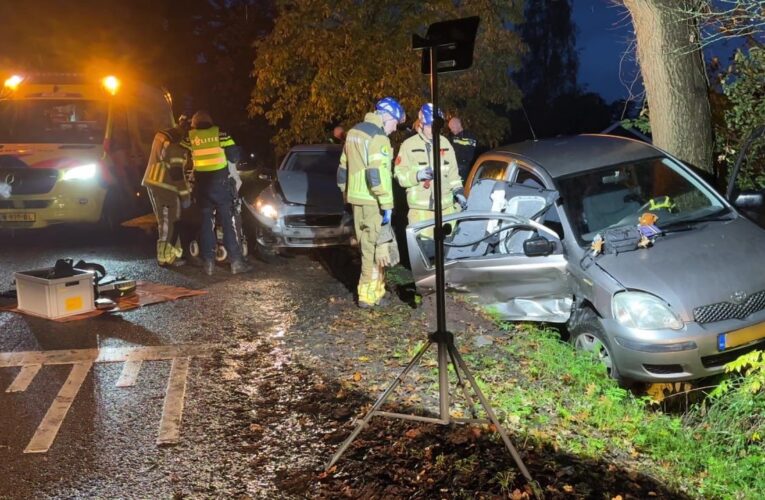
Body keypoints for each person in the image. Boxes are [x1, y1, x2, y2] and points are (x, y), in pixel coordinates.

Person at [337, 97, 404, 309]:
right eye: (395, 122)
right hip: (373, 200)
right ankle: (370, 295)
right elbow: (377, 174)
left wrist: (345, 194)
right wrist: (387, 204)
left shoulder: (354, 133)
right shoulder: (379, 137)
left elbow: (342, 169)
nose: (394, 128)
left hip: (356, 199)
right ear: (386, 116)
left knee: (367, 247)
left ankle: (371, 292)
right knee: (378, 249)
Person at [182, 110, 252, 276]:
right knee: (228, 222)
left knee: (207, 224)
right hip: (220, 185)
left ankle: (209, 265)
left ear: (194, 124)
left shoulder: (190, 137)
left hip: (202, 186)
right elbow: (234, 157)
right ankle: (236, 262)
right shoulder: (220, 134)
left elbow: (180, 151)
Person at [395, 103, 466, 232]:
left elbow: (453, 174)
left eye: (436, 126)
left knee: (448, 251)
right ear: (421, 123)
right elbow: (399, 175)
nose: (433, 130)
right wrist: (416, 176)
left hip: (447, 213)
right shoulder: (408, 145)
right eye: (429, 126)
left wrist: (459, 192)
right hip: (421, 215)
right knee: (425, 251)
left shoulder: (445, 143)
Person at [142, 115, 192, 267]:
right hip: (164, 184)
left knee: (168, 221)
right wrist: (185, 194)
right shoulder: (177, 144)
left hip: (155, 180)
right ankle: (165, 257)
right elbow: (176, 172)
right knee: (168, 221)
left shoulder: (166, 134)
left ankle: (171, 255)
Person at [448, 116, 477, 183]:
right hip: (454, 169)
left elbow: (469, 156)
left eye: (452, 127)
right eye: (450, 128)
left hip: (463, 169)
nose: (451, 130)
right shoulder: (454, 137)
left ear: (459, 125)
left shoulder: (470, 136)